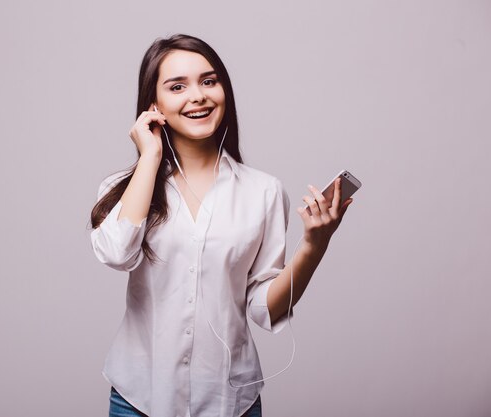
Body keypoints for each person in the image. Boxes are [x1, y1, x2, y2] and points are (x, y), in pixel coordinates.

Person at [89, 34, 353, 417]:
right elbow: (116, 253)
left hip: (231, 401)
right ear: (154, 105)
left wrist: (315, 244)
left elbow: (264, 308)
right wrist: (150, 157)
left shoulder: (262, 191)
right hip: (139, 398)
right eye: (177, 87)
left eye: (209, 81)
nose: (197, 96)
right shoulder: (124, 189)